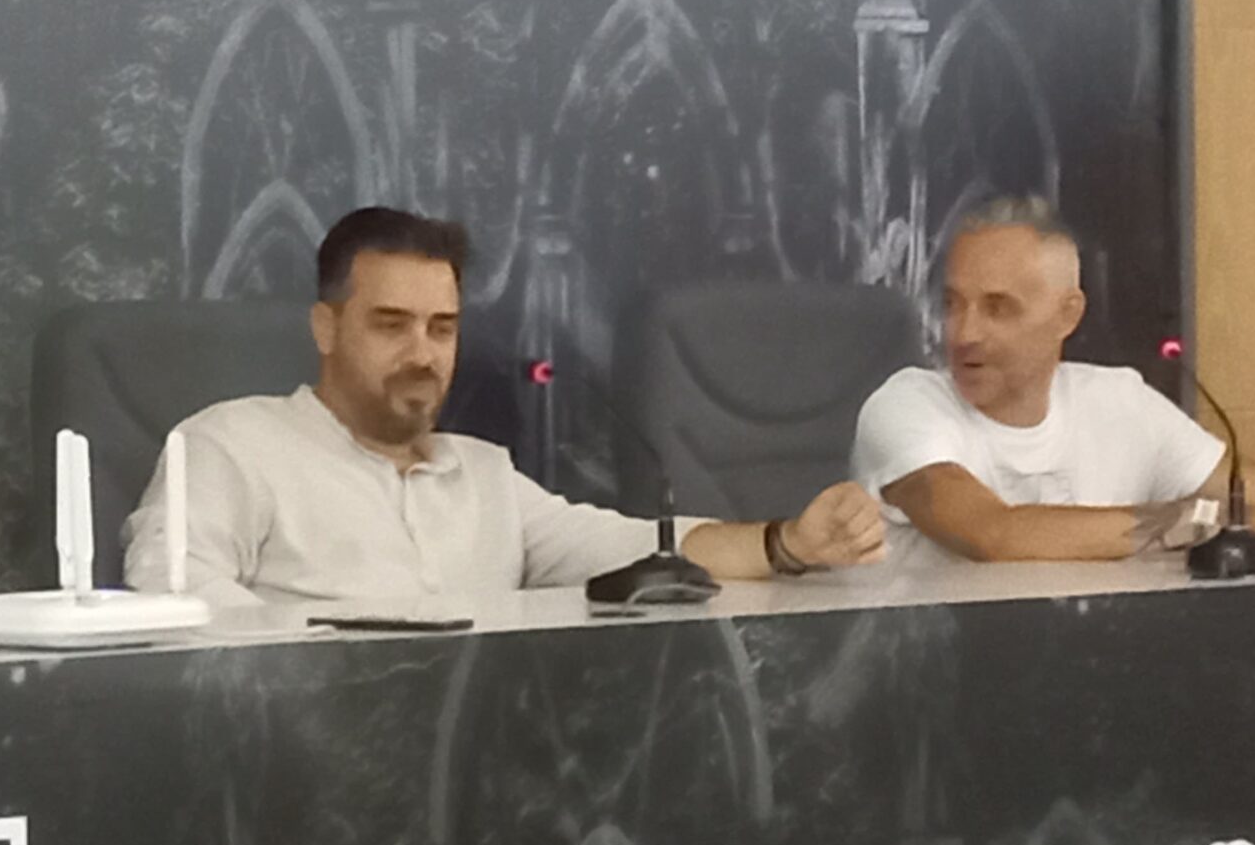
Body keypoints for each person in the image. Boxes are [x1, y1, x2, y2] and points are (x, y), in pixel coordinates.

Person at [121, 207, 884, 604]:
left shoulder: (484, 476)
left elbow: (634, 551)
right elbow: (171, 590)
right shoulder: (232, 444)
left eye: (442, 328)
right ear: (326, 327)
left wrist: (788, 543)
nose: (422, 353)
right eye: (391, 325)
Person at [852, 196, 1255, 563]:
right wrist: (1212, 522)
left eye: (998, 308)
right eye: (952, 304)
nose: (964, 333)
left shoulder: (1120, 401)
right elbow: (994, 533)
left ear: (1068, 314)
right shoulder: (905, 405)